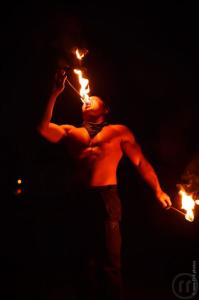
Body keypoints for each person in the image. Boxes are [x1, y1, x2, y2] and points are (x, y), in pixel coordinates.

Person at [37, 69, 172, 300]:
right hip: (79, 198)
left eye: (94, 99)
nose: (87, 99)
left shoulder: (118, 132)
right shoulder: (71, 132)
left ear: (106, 110)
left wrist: (158, 190)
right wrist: (54, 93)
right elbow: (42, 128)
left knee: (110, 263)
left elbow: (140, 162)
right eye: (86, 99)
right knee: (84, 263)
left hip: (107, 198)